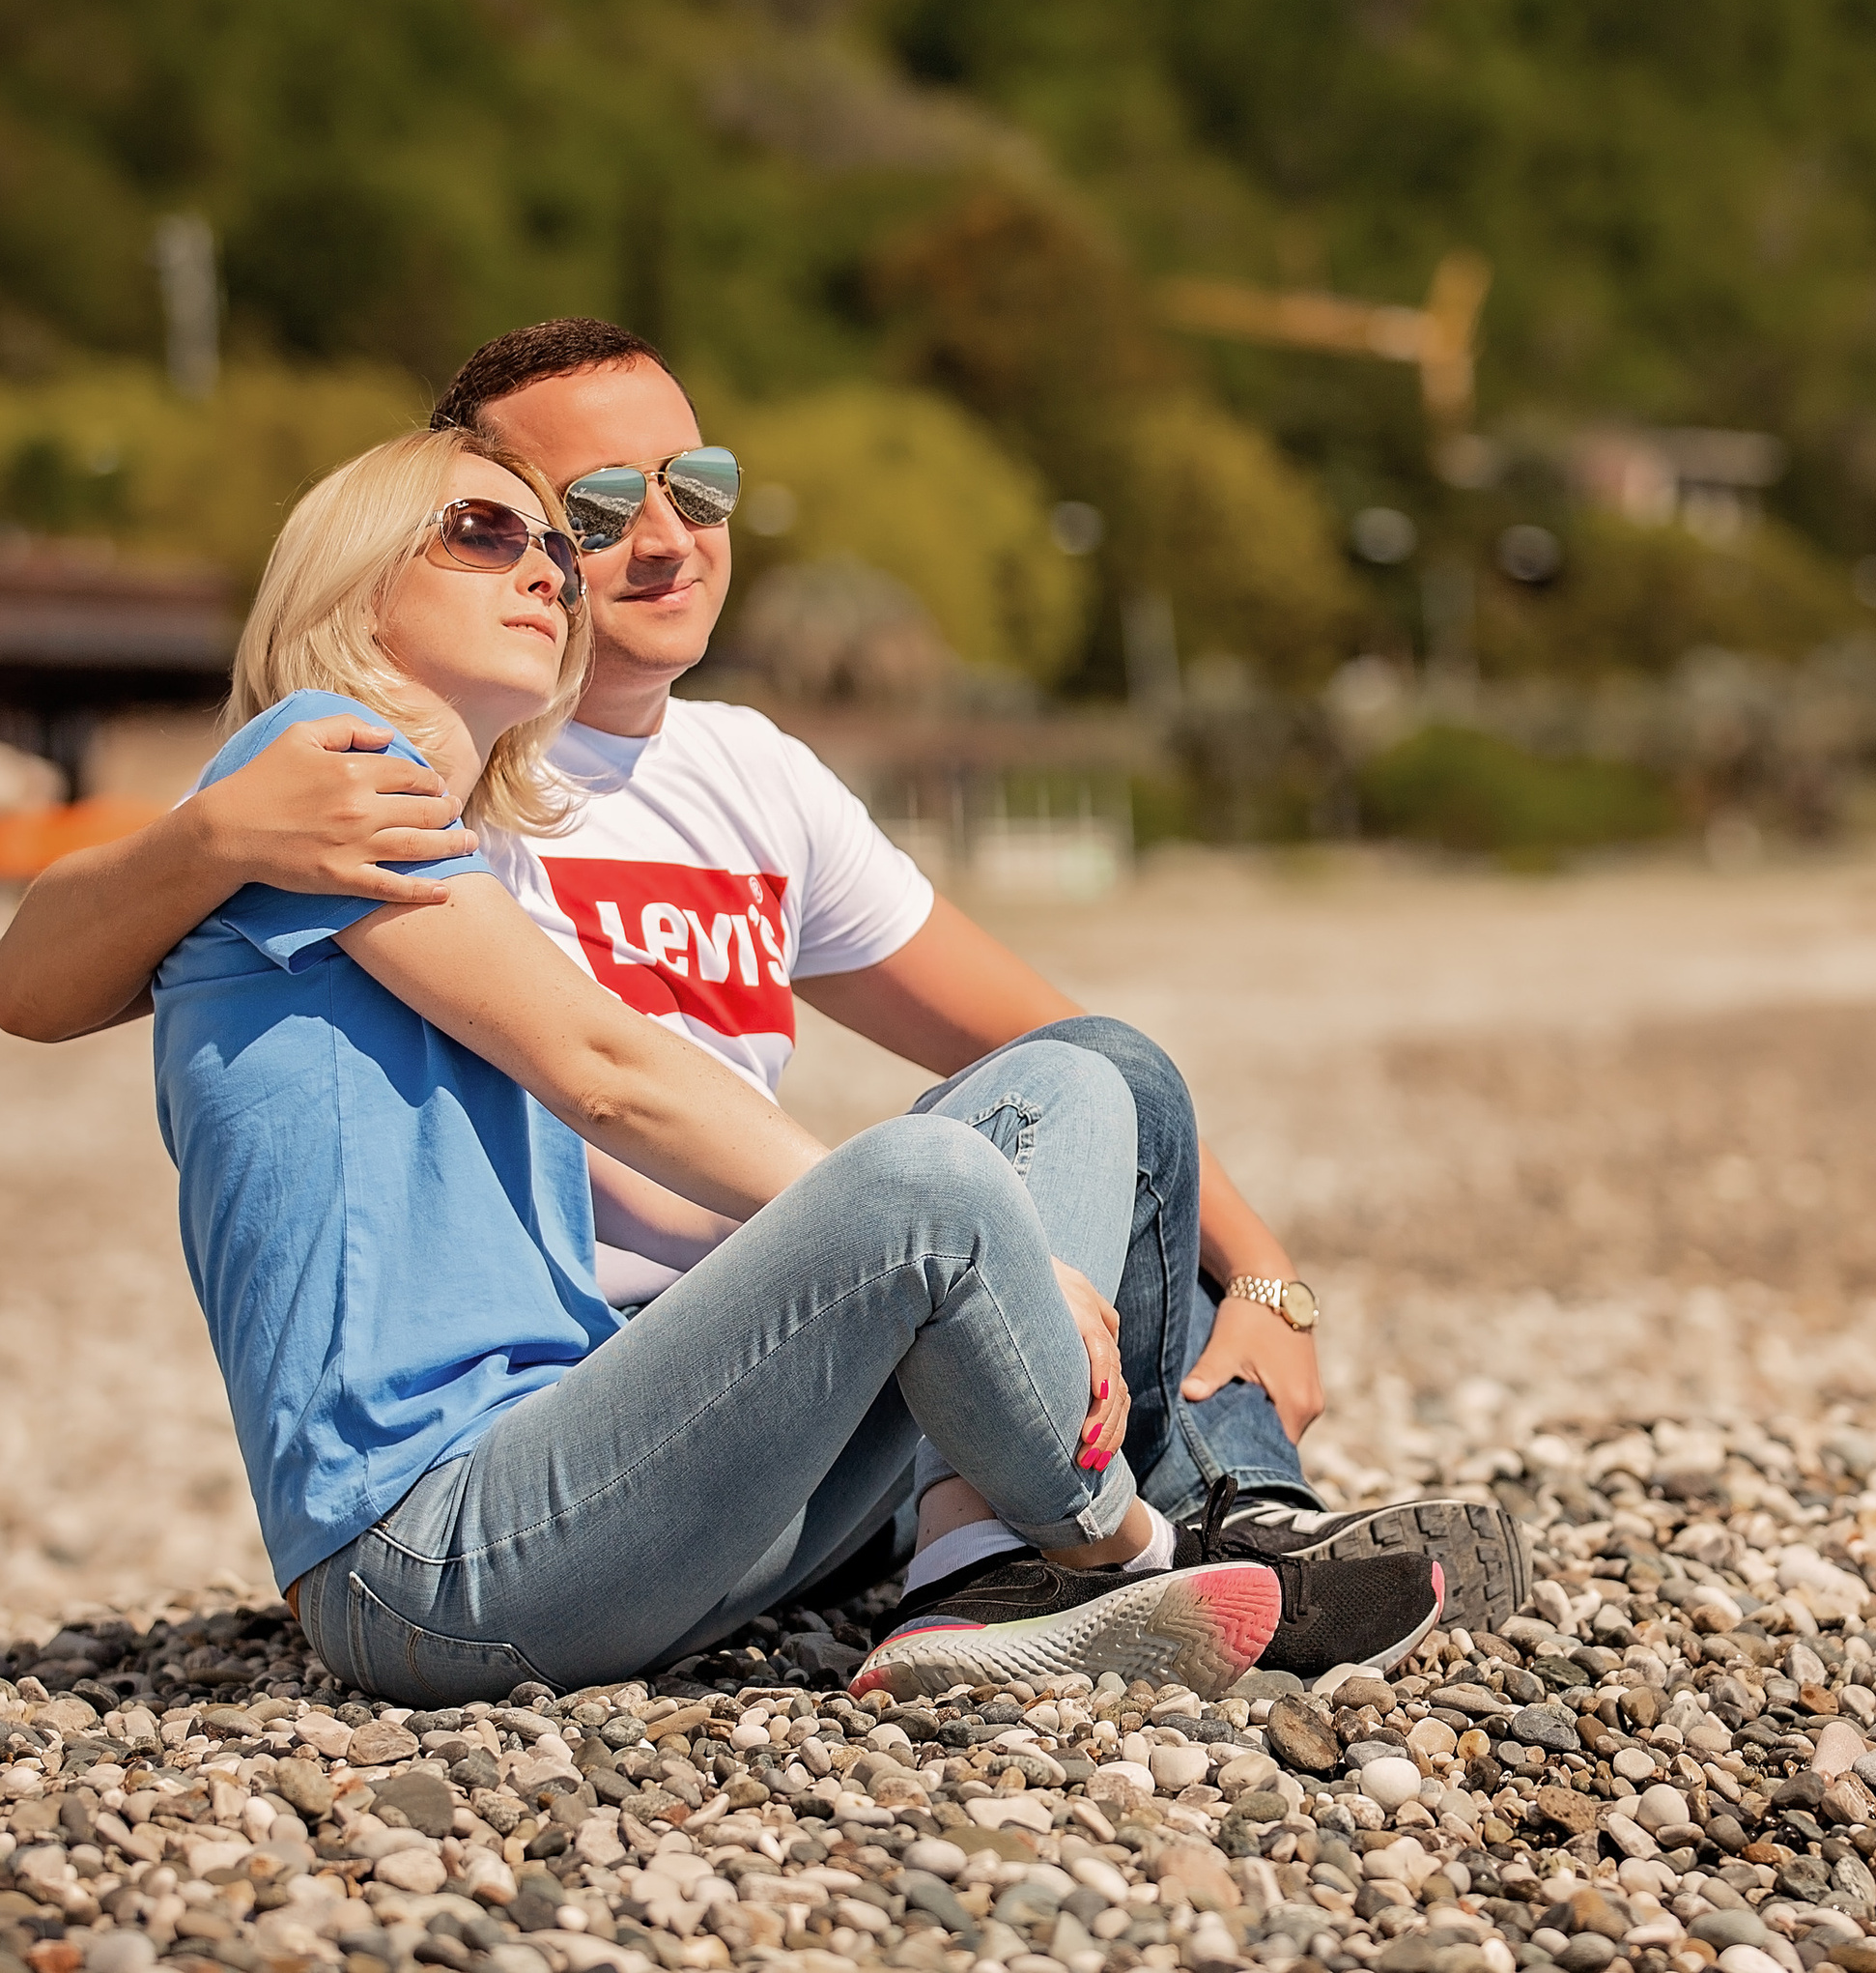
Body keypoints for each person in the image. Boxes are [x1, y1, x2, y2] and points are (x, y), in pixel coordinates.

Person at [0, 320, 1527, 1633]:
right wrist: (200, 838)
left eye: (694, 488)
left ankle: (1155, 1528)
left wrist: (1263, 1273)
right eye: (553, 515)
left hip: (711, 1421)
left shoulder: (702, 775)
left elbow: (1056, 1060)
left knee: (1085, 1082)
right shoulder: (351, 781)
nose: (622, 547)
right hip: (522, 1471)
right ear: (357, 570)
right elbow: (603, 1076)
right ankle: (1104, 1547)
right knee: (939, 1187)